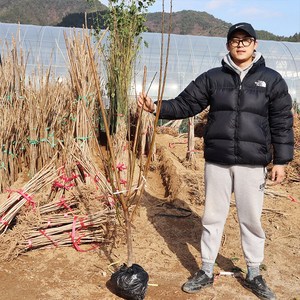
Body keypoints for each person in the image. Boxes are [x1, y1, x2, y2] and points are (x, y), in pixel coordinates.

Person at [138, 22, 294, 300]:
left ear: (256, 44)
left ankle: (254, 273)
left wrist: (281, 161)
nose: (241, 44)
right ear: (228, 46)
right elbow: (186, 103)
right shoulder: (213, 78)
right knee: (212, 217)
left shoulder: (271, 80)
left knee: (251, 220)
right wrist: (156, 107)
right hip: (218, 161)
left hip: (253, 163)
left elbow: (282, 122)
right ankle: (206, 270)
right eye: (235, 40)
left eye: (246, 40)